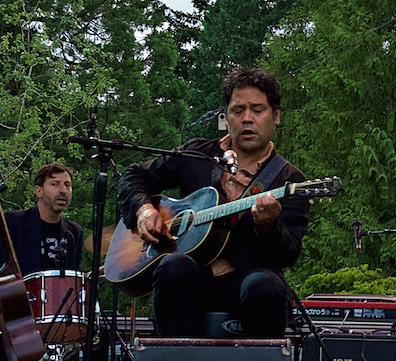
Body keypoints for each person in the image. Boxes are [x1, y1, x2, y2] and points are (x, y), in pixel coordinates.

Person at [118, 67, 310, 338]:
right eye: (237, 110)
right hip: (191, 276)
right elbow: (133, 177)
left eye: (257, 110)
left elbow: (288, 254)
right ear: (226, 116)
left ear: (275, 116)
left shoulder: (288, 179)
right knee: (172, 267)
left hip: (248, 278)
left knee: (267, 287)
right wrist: (143, 210)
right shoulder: (197, 154)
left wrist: (269, 227)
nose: (247, 118)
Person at [0, 162, 83, 277]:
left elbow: (74, 279)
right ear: (39, 191)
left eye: (67, 185)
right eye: (55, 184)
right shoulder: (14, 222)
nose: (63, 190)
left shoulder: (74, 232)